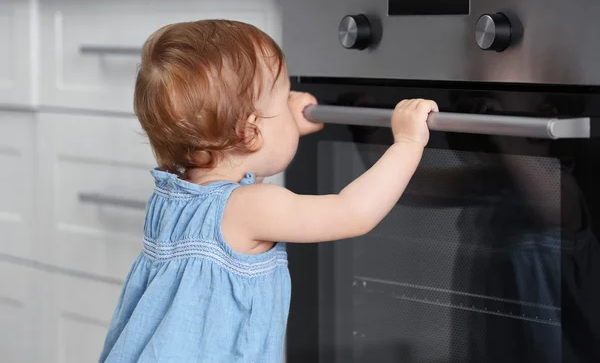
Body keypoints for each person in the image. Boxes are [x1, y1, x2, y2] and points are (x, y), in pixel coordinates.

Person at [98, 19, 438, 363]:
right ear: (250, 132)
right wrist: (408, 142)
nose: (290, 107)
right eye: (282, 101)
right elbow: (353, 212)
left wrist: (285, 123)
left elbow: (241, 178)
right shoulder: (251, 209)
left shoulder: (176, 194)